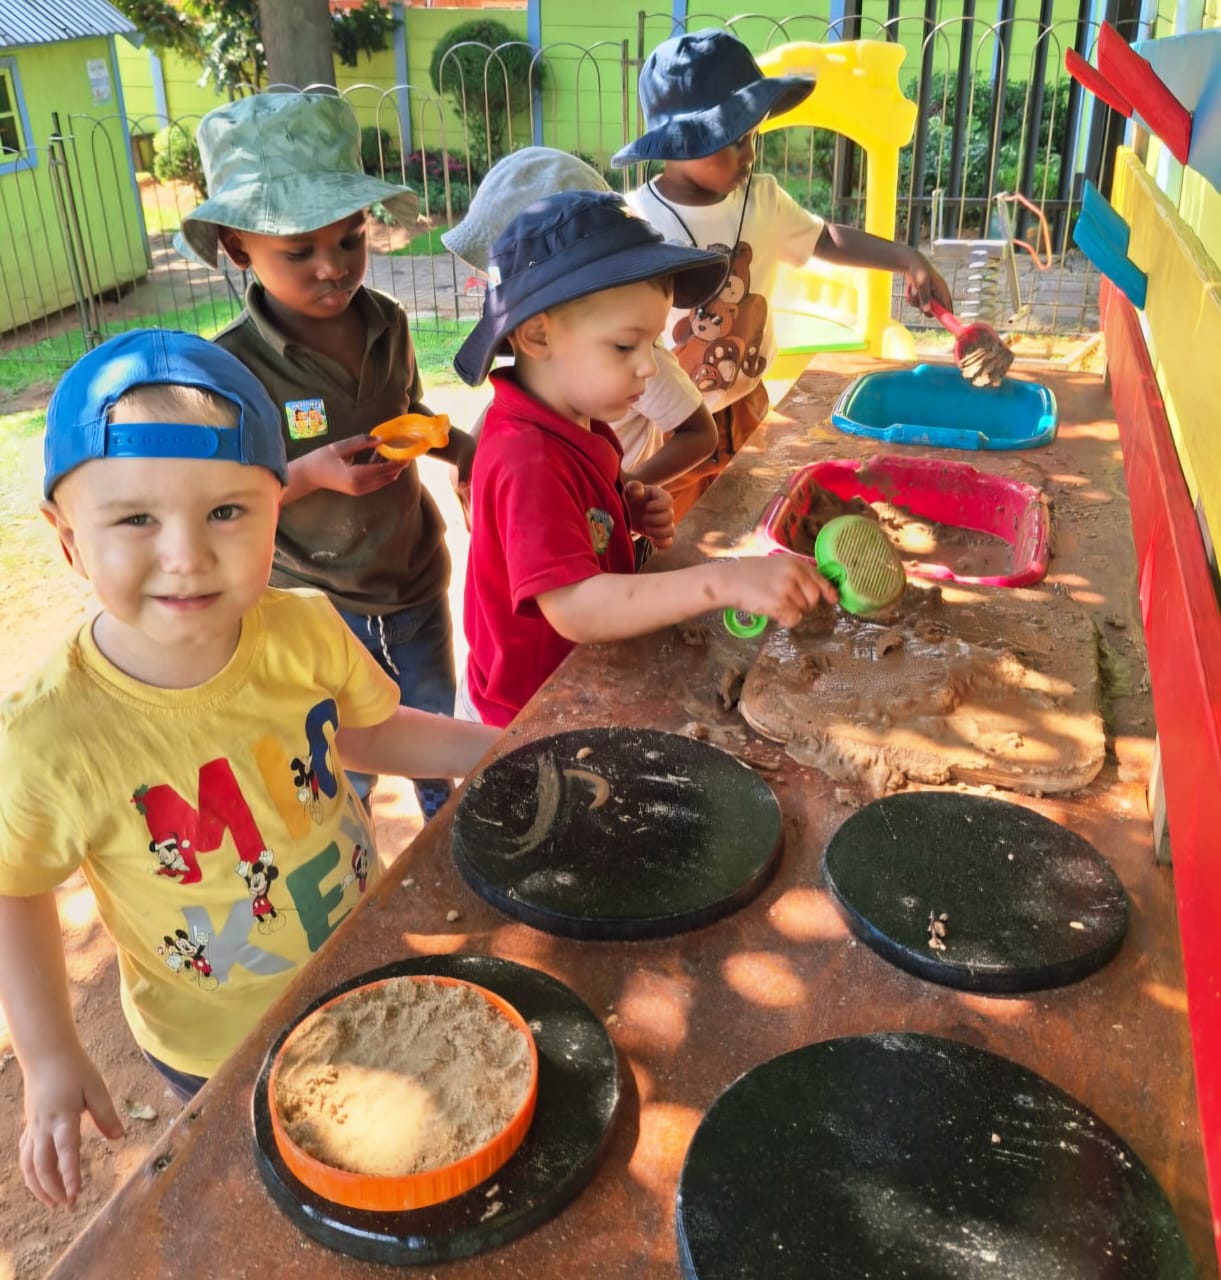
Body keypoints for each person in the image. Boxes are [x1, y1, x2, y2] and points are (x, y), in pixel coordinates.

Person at [0, 330, 499, 1210]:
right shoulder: (50, 738)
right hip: (212, 1040)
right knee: (280, 1182)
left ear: (280, 506)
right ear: (66, 537)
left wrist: (498, 752)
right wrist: (48, 1051)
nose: (187, 554)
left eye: (227, 511)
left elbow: (370, 738)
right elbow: (15, 884)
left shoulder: (305, 627)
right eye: (135, 519)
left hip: (354, 958)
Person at [179, 91, 469, 820]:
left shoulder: (389, 324)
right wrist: (309, 474)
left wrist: (468, 453)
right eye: (297, 251)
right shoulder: (231, 371)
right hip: (315, 608)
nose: (333, 268)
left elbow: (414, 417)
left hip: (413, 580)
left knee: (433, 729)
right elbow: (215, 506)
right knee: (343, 760)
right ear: (239, 247)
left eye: (349, 239)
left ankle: (449, 832)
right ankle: (357, 874)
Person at [451, 190, 838, 727]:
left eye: (653, 345)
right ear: (538, 335)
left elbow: (575, 517)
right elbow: (577, 608)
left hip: (572, 682)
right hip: (525, 716)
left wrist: (621, 510)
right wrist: (723, 582)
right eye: (624, 347)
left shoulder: (577, 418)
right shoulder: (526, 457)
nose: (651, 369)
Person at [614, 28, 954, 519]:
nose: (750, 155)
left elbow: (825, 238)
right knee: (675, 541)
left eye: (753, 136)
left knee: (751, 518)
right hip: (673, 429)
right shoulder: (637, 223)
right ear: (679, 141)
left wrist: (907, 257)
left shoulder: (766, 199)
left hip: (749, 404)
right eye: (733, 143)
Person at [442, 148, 718, 495]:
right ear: (539, 336)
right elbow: (518, 395)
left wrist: (625, 490)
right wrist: (474, 447)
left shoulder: (632, 357)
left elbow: (698, 432)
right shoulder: (558, 351)